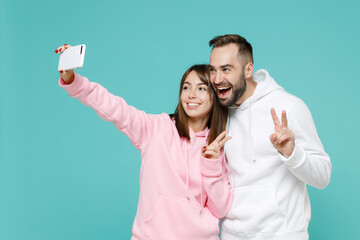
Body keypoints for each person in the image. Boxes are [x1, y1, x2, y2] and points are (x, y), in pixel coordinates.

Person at [55, 44, 233, 240]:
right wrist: (73, 81)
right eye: (186, 87)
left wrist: (211, 164)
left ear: (214, 97)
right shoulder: (157, 128)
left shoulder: (218, 147)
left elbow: (221, 208)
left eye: (201, 89)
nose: (191, 95)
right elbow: (116, 109)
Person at [208, 34, 332, 240]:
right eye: (213, 70)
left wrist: (292, 153)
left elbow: (323, 177)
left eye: (226, 69)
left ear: (248, 69)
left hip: (284, 234)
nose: (217, 79)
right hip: (232, 235)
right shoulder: (218, 114)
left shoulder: (289, 107)